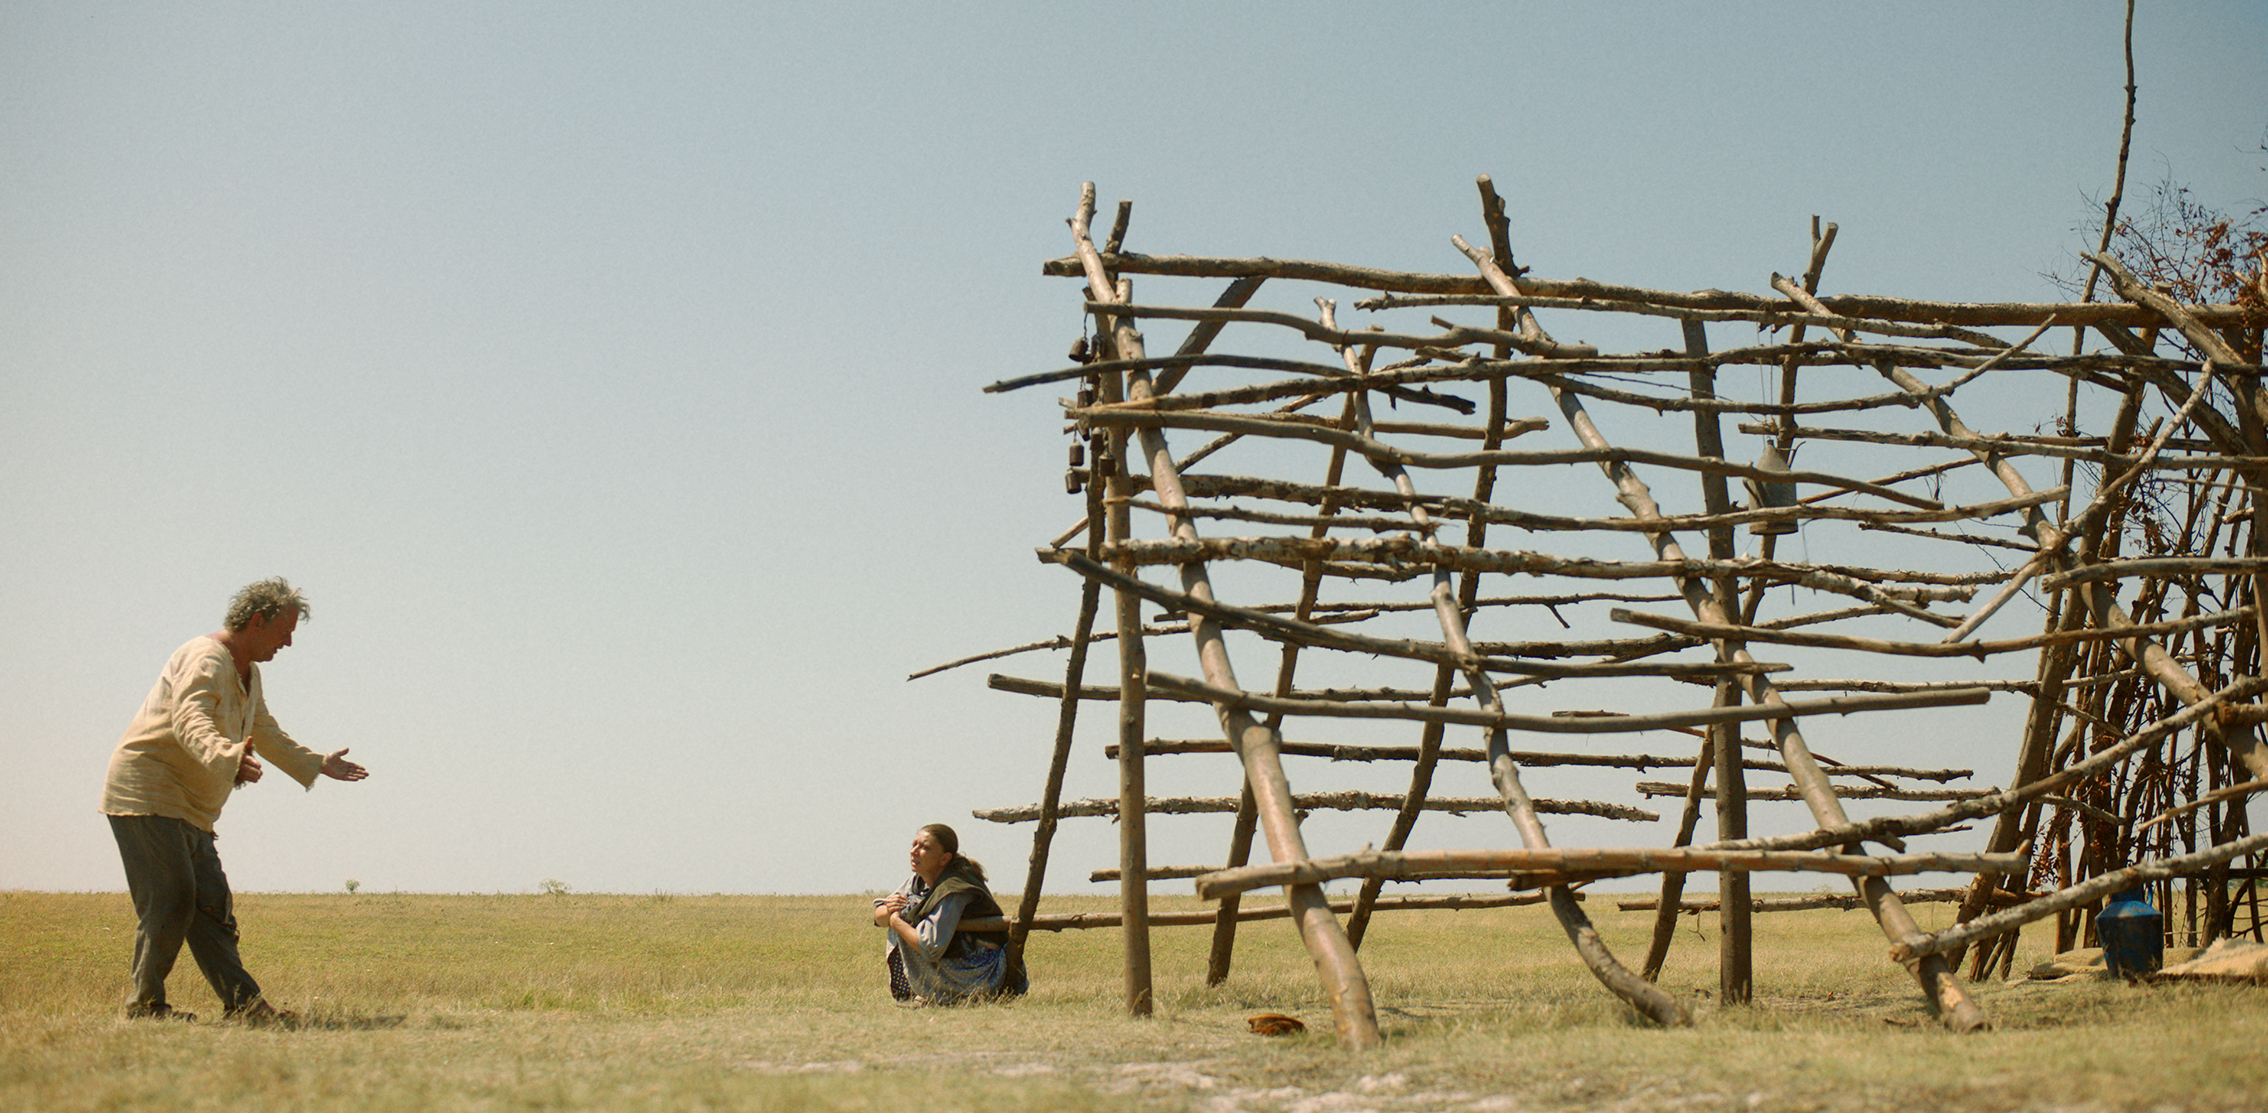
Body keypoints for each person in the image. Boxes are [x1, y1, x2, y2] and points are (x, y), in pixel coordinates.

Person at [98, 577, 369, 1023]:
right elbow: (190, 719)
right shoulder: (205, 658)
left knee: (211, 907)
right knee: (172, 900)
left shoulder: (249, 673)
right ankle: (145, 1008)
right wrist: (227, 756)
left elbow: (264, 731)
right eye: (284, 632)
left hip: (193, 807)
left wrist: (317, 763)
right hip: (147, 794)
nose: (288, 643)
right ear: (257, 621)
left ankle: (244, 1007)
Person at [871, 823, 1027, 1005]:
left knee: (906, 915)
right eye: (914, 844)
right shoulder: (918, 882)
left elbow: (929, 947)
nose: (914, 851)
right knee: (907, 911)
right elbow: (879, 917)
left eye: (924, 847)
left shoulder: (953, 889)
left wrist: (897, 921)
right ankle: (921, 992)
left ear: (944, 859)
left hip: (981, 973)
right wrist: (890, 909)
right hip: (961, 968)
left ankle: (945, 995)